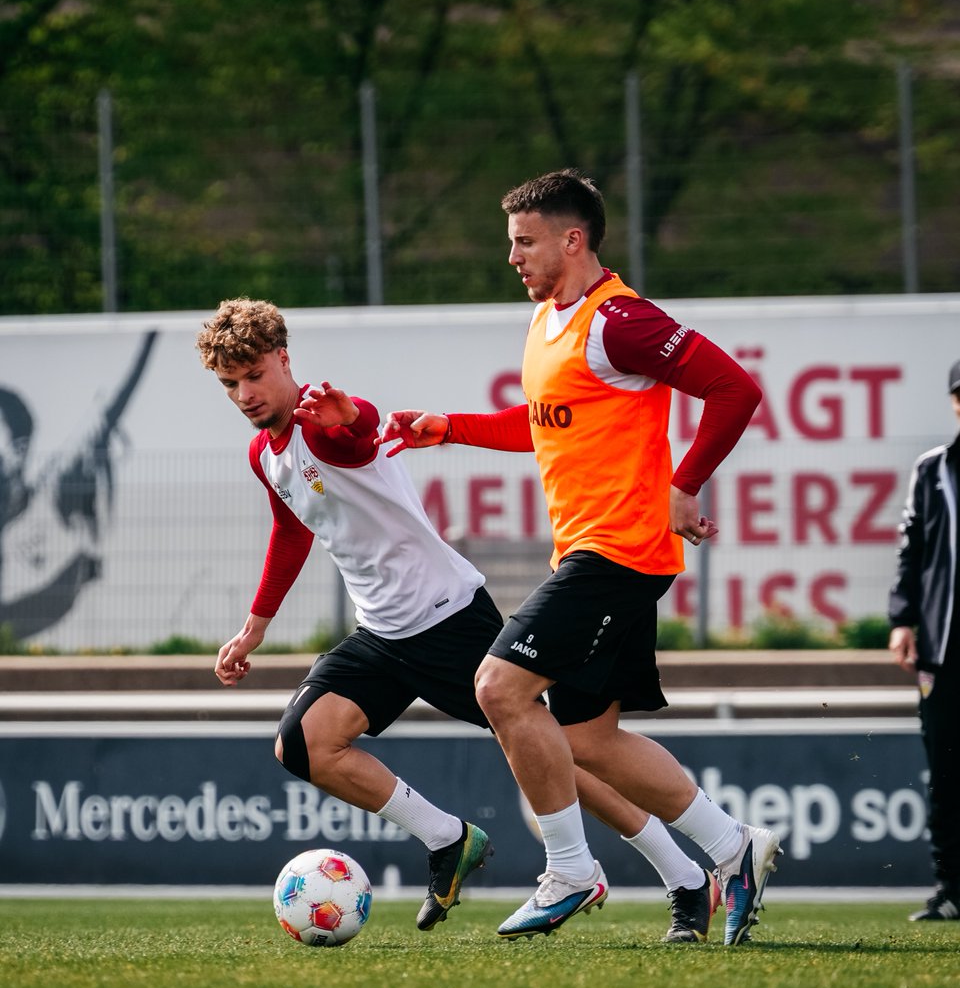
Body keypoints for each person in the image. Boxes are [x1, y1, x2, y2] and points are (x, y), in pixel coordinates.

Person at [198, 297, 722, 942]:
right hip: (382, 633)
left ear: (283, 358)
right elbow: (291, 528)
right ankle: (448, 838)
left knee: (561, 758)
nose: (245, 392)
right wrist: (255, 626)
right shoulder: (264, 453)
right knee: (303, 745)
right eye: (230, 384)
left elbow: (357, 432)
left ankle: (685, 877)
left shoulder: (328, 419)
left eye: (254, 374)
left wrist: (351, 414)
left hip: (447, 618)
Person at [379, 168, 782, 945]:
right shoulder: (547, 321)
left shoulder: (620, 320)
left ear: (573, 240)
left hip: (618, 550)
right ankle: (736, 850)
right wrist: (450, 427)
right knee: (589, 739)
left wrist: (684, 482)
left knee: (498, 686)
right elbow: (544, 421)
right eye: (512, 243)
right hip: (598, 551)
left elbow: (736, 390)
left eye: (525, 243)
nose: (513, 258)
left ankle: (569, 870)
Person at [888, 360, 960, 922]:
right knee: (946, 771)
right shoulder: (933, 470)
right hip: (944, 645)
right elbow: (911, 550)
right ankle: (952, 886)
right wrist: (903, 618)